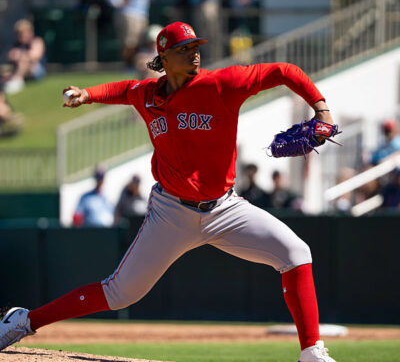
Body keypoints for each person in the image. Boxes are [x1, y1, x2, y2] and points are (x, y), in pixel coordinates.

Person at [0, 22, 337, 362]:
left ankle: (311, 351)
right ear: (163, 55)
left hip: (226, 209)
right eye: (184, 49)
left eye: (195, 46)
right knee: (120, 293)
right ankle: (24, 320)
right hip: (171, 213)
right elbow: (126, 88)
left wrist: (320, 108)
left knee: (296, 253)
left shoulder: (223, 83)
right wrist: (88, 94)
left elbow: (284, 70)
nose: (194, 52)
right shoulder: (147, 95)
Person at [103, 0, 162, 69]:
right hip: (129, 14)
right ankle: (128, 66)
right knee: (129, 43)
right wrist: (118, 2)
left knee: (141, 42)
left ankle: (136, 65)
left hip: (142, 14)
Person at [2, 19, 46, 95]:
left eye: (23, 33)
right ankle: (14, 80)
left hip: (36, 71)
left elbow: (34, 55)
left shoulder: (36, 41)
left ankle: (17, 81)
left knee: (24, 60)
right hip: (17, 69)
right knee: (5, 70)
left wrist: (20, 55)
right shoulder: (15, 44)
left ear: (30, 32)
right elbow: (10, 56)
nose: (21, 36)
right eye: (19, 33)